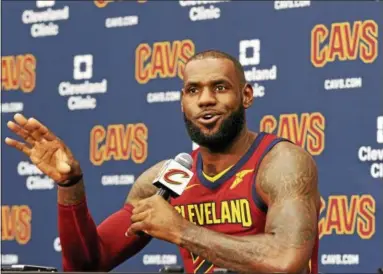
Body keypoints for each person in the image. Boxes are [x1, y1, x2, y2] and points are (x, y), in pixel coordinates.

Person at [5, 50, 320, 274]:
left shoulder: (281, 163)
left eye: (220, 87)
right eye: (193, 90)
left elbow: (285, 259)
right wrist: (70, 185)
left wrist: (181, 230)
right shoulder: (167, 179)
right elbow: (89, 265)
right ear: (183, 102)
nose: (206, 99)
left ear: (246, 95)